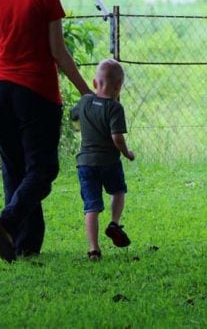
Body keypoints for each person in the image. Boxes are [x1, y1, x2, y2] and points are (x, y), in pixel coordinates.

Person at [0, 0, 91, 263]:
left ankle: (23, 245)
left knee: (15, 168)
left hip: (1, 91)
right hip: (36, 92)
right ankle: (8, 222)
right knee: (43, 168)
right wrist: (87, 92)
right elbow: (59, 53)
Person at [70, 58, 136, 261]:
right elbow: (117, 137)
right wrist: (127, 153)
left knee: (91, 207)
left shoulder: (84, 102)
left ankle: (93, 249)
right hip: (109, 162)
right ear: (118, 86)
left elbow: (74, 119)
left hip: (85, 164)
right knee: (118, 191)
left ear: (94, 83)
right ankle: (114, 223)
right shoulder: (115, 108)